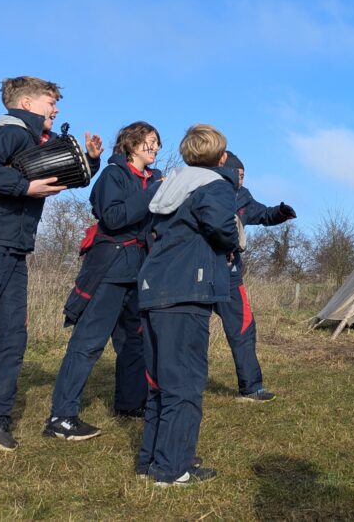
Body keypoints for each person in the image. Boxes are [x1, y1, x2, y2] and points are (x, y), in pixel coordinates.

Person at [0, 76, 102, 452]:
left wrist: (90, 160)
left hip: (12, 246)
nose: (55, 109)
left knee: (9, 334)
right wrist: (24, 188)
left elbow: (62, 174)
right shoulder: (7, 129)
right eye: (49, 102)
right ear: (25, 103)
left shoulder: (34, 140)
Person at [43, 122, 164, 440]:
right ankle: (61, 417)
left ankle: (130, 404)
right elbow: (112, 218)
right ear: (132, 144)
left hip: (139, 272)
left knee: (134, 343)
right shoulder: (114, 175)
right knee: (88, 344)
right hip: (109, 269)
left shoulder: (154, 179)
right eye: (149, 142)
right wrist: (152, 195)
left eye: (157, 144)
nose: (154, 148)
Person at [135, 124, 238, 486]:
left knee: (159, 382)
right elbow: (223, 230)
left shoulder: (166, 185)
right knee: (186, 382)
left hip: (153, 287)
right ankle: (173, 468)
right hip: (186, 292)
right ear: (220, 157)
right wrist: (233, 243)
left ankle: (152, 460)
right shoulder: (215, 186)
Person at [216, 151, 296, 402]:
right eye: (238, 174)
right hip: (198, 271)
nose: (241, 179)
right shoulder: (202, 188)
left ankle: (251, 388)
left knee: (244, 327)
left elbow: (262, 214)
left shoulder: (243, 196)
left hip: (229, 275)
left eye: (244, 175)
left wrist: (281, 213)